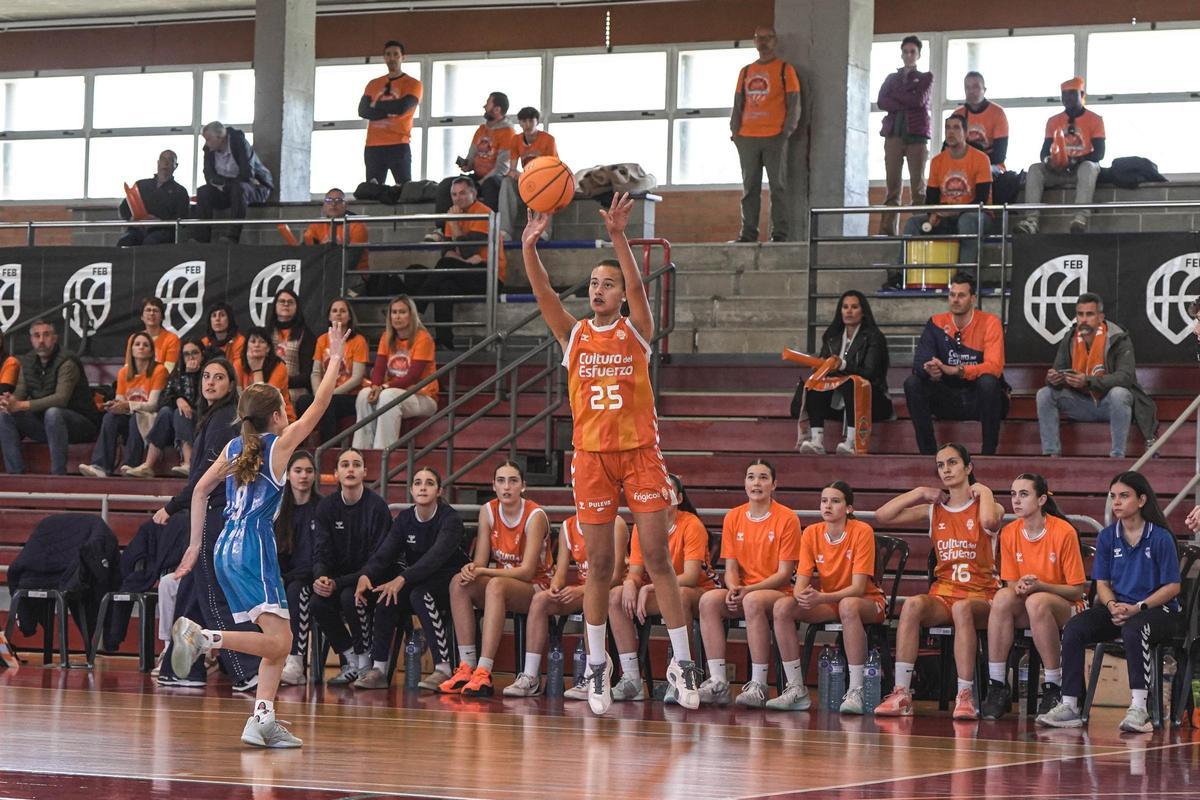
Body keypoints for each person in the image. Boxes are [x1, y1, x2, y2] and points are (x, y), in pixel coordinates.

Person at [522, 193, 706, 713]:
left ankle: (682, 662)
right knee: (598, 565)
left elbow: (637, 286)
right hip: (592, 458)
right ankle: (598, 667)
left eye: (608, 284)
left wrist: (621, 236)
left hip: (641, 454)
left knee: (655, 559)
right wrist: (530, 249)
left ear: (622, 294)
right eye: (593, 284)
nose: (598, 290)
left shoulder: (636, 330)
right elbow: (542, 294)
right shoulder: (574, 334)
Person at [168, 321, 347, 749]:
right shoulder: (278, 445)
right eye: (284, 405)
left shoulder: (233, 449)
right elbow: (320, 404)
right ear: (276, 413)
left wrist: (195, 546)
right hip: (253, 545)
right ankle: (204, 637)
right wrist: (335, 357)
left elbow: (199, 491)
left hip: (224, 545)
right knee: (278, 641)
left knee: (279, 642)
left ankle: (261, 718)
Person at [1037, 472, 1182, 734]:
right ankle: (1069, 704)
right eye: (1113, 496)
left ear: (1141, 500)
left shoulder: (1160, 537)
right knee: (1074, 628)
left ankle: (1139, 708)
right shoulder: (1107, 537)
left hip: (1157, 611)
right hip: (1119, 608)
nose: (1116, 502)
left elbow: (1173, 586)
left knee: (1135, 629)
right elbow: (1101, 583)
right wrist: (1112, 605)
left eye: (1124, 496)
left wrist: (1139, 608)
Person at [873, 443, 1002, 720]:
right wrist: (918, 493)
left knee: (963, 609)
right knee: (913, 606)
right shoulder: (934, 510)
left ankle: (965, 695)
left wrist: (987, 491)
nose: (946, 469)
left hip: (982, 596)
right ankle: (901, 693)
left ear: (968, 467)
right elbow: (882, 516)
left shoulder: (986, 504)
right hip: (944, 594)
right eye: (941, 465)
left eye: (953, 463)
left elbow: (991, 521)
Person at [153, 359, 258, 693]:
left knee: (213, 596)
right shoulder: (213, 417)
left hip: (217, 514)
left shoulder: (224, 421)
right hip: (210, 514)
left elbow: (204, 479)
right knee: (192, 594)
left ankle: (248, 669)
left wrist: (172, 505)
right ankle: (182, 669)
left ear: (232, 383)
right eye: (207, 377)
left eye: (219, 377)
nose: (211, 382)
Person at [768, 481, 886, 713]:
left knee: (849, 606)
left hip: (869, 601)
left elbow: (858, 588)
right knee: (782, 606)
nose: (828, 506)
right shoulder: (811, 533)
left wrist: (820, 598)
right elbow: (800, 585)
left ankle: (856, 690)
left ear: (849, 508)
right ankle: (796, 689)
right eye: (824, 501)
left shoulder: (862, 531)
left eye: (835, 501)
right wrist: (805, 596)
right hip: (831, 601)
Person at [438, 461, 552, 697]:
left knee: (495, 585)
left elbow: (527, 572)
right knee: (458, 582)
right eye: (501, 481)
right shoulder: (488, 510)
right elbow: (480, 561)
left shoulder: (535, 515)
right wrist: (472, 568)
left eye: (513, 481)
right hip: (501, 585)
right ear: (494, 485)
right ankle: (467, 666)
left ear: (523, 486)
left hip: (537, 587)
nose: (506, 487)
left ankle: (484, 671)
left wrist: (485, 572)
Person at [979, 473, 1087, 721]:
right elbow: (1011, 582)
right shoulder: (1009, 532)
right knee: (1003, 598)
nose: (1016, 500)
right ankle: (997, 685)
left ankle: (1053, 686)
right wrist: (1021, 587)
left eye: (1023, 494)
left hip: (1068, 606)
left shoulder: (1064, 532)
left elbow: (1077, 590)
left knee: (1036, 601)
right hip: (1031, 605)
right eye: (1013, 494)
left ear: (1040, 500)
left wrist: (1041, 586)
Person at [353, 467, 470, 690]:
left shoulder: (450, 519)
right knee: (387, 595)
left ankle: (443, 669)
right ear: (411, 490)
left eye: (429, 483)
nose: (423, 487)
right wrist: (365, 574)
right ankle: (378, 669)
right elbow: (385, 552)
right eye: (418, 483)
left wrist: (402, 578)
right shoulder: (405, 518)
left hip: (453, 581)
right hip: (418, 578)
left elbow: (435, 558)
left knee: (418, 594)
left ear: (439, 491)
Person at [695, 459, 800, 707]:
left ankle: (759, 684)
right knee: (709, 600)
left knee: (752, 601)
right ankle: (718, 681)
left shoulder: (787, 518)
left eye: (763, 477)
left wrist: (748, 590)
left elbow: (785, 574)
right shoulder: (733, 516)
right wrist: (732, 587)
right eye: (751, 477)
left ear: (774, 484)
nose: (756, 483)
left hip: (778, 592)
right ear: (744, 483)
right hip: (744, 590)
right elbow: (730, 567)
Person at [607, 474, 716, 702]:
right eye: (657, 491)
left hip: (699, 591)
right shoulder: (641, 526)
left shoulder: (691, 524)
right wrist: (629, 583)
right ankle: (631, 678)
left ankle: (682, 674)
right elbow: (635, 572)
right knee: (615, 596)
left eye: (667, 492)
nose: (661, 496)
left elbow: (691, 576)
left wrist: (649, 588)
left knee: (681, 596)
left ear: (677, 498)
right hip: (663, 591)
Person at [503, 513, 629, 697]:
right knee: (541, 600)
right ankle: (530, 678)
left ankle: (591, 676)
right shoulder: (567, 526)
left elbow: (615, 576)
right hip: (583, 589)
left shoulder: (615, 522)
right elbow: (560, 573)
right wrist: (554, 587)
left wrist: (581, 591)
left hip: (611, 590)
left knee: (591, 600)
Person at [1036, 292, 1157, 459]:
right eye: (1080, 314)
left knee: (1119, 394)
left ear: (1100, 317)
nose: (1084, 319)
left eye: (1089, 314)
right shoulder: (1070, 338)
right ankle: (1051, 454)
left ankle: (1117, 456)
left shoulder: (1117, 337)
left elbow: (1125, 377)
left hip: (1110, 404)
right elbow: (1059, 370)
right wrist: (1054, 379)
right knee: (1044, 394)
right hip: (1081, 403)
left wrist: (1087, 381)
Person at [308, 447, 393, 685]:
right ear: (336, 473)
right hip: (338, 581)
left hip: (370, 580)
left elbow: (380, 558)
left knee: (349, 596)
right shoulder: (326, 507)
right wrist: (321, 577)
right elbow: (320, 551)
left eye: (356, 464)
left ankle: (365, 663)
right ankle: (350, 659)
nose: (351, 469)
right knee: (316, 601)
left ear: (365, 471)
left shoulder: (377, 507)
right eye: (345, 465)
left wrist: (341, 582)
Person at [904, 272, 1008, 456]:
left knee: (989, 382)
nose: (955, 300)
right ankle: (928, 454)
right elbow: (920, 362)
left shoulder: (990, 322)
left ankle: (989, 454)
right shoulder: (936, 322)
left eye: (961, 295)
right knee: (913, 383)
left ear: (973, 298)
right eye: (952, 295)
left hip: (979, 398)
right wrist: (930, 371)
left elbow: (994, 367)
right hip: (948, 398)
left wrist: (957, 370)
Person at [794, 290, 893, 455]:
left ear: (863, 312)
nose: (849, 311)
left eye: (854, 307)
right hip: (836, 399)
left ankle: (852, 442)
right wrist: (820, 368)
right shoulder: (831, 336)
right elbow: (825, 365)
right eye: (845, 307)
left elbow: (870, 373)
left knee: (851, 382)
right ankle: (816, 440)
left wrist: (842, 365)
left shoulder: (874, 337)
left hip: (871, 398)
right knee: (815, 382)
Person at [730, 25, 801, 244]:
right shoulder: (746, 71)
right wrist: (735, 132)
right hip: (747, 137)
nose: (763, 42)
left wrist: (785, 131)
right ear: (754, 42)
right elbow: (738, 103)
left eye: (767, 38)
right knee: (749, 188)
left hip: (775, 135)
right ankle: (748, 234)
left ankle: (779, 234)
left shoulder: (784, 69)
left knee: (777, 187)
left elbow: (794, 102)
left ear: (775, 41)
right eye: (759, 38)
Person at [0, 320, 99, 475]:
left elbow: (61, 399)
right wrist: (8, 402)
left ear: (55, 338)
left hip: (80, 425)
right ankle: (15, 474)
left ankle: (58, 475)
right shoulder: (27, 362)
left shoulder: (67, 361)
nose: (41, 340)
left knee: (54, 412)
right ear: (31, 339)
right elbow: (19, 394)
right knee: (6, 415)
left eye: (46, 335)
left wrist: (21, 405)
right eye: (36, 336)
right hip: (46, 425)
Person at [420, 177, 507, 350]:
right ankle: (445, 341)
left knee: (446, 265)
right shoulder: (453, 214)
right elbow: (447, 252)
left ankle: (416, 308)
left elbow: (468, 251)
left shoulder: (483, 213)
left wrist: (453, 224)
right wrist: (462, 259)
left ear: (473, 194)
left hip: (489, 275)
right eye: (453, 194)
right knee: (444, 286)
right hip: (464, 270)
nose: (457, 198)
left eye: (462, 193)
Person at [1015, 77, 1105, 235]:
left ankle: (1080, 218)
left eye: (1072, 94)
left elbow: (1099, 153)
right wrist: (1049, 161)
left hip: (1081, 170)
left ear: (1081, 94)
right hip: (1058, 171)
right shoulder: (1053, 121)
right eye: (1064, 95)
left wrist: (1076, 160)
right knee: (1035, 169)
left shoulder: (1095, 119)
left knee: (1089, 167)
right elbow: (1043, 153)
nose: (1067, 98)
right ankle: (1031, 221)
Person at [901, 114, 992, 265]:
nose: (950, 132)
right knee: (913, 223)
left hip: (977, 214)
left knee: (967, 220)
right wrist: (933, 214)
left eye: (956, 128)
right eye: (947, 128)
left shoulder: (981, 159)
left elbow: (981, 200)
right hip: (945, 214)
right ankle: (901, 273)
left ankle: (965, 274)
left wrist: (954, 212)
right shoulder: (937, 161)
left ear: (965, 132)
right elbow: (931, 197)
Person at [353, 295, 438, 450]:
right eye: (394, 312)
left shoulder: (423, 338)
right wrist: (375, 387)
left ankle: (383, 452)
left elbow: (413, 376)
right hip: (394, 392)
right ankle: (360, 451)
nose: (397, 316)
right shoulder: (387, 337)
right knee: (363, 395)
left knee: (387, 396)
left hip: (423, 396)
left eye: (402, 312)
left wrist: (383, 388)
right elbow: (379, 368)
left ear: (412, 315)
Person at [80, 332, 169, 477]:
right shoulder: (124, 372)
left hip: (149, 419)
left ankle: (131, 465)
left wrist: (127, 405)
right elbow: (119, 401)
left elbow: (153, 405)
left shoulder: (159, 370)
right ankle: (100, 466)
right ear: (131, 349)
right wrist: (114, 405)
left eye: (145, 345)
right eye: (137, 344)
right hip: (129, 418)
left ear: (152, 351)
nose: (141, 347)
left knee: (136, 417)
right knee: (110, 417)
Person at [123, 339, 204, 478]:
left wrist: (191, 376)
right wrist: (178, 399)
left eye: (195, 353)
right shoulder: (177, 373)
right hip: (174, 428)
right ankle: (148, 466)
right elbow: (164, 400)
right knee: (165, 411)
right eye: (186, 354)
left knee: (180, 413)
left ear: (202, 355)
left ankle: (189, 462)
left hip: (199, 422)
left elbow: (199, 402)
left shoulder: (208, 372)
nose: (191, 357)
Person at [877, 35, 932, 237]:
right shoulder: (891, 78)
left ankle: (919, 229)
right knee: (892, 185)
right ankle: (888, 231)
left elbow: (918, 101)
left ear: (918, 55)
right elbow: (882, 101)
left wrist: (897, 96)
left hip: (916, 136)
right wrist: (906, 97)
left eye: (913, 52)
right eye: (906, 51)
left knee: (918, 186)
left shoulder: (926, 77)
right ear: (901, 54)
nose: (909, 55)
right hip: (893, 134)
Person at [295, 298, 371, 443]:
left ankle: (327, 447)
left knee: (329, 403)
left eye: (343, 311)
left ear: (349, 316)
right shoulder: (322, 340)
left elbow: (357, 378)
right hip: (326, 394)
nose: (338, 314)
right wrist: (319, 394)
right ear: (329, 316)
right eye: (334, 311)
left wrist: (327, 395)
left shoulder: (358, 341)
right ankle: (301, 447)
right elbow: (316, 372)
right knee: (302, 401)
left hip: (350, 396)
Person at [277, 451, 321, 686]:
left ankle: (296, 663)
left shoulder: (322, 508)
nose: (303, 476)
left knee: (297, 591)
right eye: (298, 470)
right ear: (288, 475)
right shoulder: (278, 510)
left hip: (311, 579)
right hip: (283, 577)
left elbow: (321, 556)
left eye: (308, 471)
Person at [434, 92, 516, 213]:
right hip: (477, 178)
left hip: (495, 179)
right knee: (446, 185)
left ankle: (490, 228)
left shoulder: (508, 132)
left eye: (488, 104)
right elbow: (471, 157)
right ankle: (441, 228)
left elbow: (501, 169)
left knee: (490, 185)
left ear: (497, 109)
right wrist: (467, 165)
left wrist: (479, 183)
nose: (484, 106)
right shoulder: (481, 130)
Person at [194, 121, 273, 243]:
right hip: (227, 188)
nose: (207, 144)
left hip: (255, 186)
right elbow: (209, 175)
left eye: (208, 139)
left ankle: (232, 237)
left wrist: (224, 184)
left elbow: (247, 174)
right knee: (203, 192)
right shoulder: (208, 150)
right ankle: (201, 239)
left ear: (219, 137)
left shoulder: (240, 143)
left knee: (239, 188)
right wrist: (224, 184)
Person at [359, 40, 422, 185]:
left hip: (399, 144)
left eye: (395, 54)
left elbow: (402, 107)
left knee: (405, 189)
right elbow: (363, 111)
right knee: (372, 189)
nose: (392, 58)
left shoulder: (413, 84)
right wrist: (390, 109)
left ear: (403, 57)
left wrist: (376, 107)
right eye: (388, 54)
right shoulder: (373, 84)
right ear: (384, 57)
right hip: (373, 146)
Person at [498, 106, 558, 240]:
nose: (527, 125)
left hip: (543, 179)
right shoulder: (515, 140)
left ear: (537, 122)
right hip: (526, 182)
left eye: (531, 121)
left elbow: (553, 168)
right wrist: (515, 174)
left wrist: (533, 176)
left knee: (547, 185)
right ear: (519, 123)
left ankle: (542, 229)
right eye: (524, 121)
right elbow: (512, 169)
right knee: (507, 182)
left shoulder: (548, 139)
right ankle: (505, 231)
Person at [117, 149, 190, 247]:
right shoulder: (141, 185)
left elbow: (182, 219)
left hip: (162, 231)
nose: (166, 163)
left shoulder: (180, 191)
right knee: (125, 242)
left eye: (170, 160)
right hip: (137, 229)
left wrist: (159, 222)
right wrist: (131, 219)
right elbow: (124, 208)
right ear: (158, 163)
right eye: (163, 159)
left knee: (151, 242)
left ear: (175, 166)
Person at [953, 72, 1009, 180]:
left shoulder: (998, 113)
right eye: (967, 87)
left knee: (980, 172)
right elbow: (950, 148)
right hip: (964, 164)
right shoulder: (957, 114)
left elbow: (999, 155)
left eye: (975, 87)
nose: (971, 91)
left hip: (993, 166)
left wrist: (973, 163)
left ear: (985, 90)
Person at [265, 289, 316, 406]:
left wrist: (280, 382)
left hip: (295, 388)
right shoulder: (266, 333)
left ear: (297, 307)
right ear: (275, 306)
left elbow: (308, 373)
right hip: (268, 386)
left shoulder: (306, 335)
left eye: (290, 302)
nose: (286, 304)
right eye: (282, 301)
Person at [237, 328, 297, 423]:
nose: (257, 345)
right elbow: (238, 397)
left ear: (268, 349)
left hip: (279, 418)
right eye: (253, 341)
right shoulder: (238, 365)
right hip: (248, 416)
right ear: (246, 346)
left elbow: (265, 401)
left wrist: (257, 369)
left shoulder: (279, 367)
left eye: (262, 342)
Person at [301, 188, 368, 271]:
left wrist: (336, 249)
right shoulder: (316, 225)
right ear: (324, 205)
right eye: (329, 200)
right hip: (321, 273)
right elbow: (306, 254)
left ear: (346, 205)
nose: (333, 204)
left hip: (353, 275)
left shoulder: (357, 225)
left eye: (338, 200)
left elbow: (353, 259)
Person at [127, 297, 181, 373]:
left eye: (155, 310)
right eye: (148, 310)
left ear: (162, 317)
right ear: (142, 316)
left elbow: (168, 370)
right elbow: (128, 366)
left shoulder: (172, 339)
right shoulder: (134, 338)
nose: (151, 313)